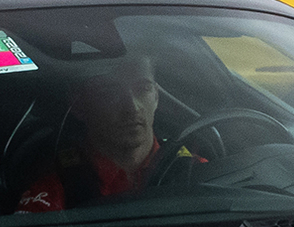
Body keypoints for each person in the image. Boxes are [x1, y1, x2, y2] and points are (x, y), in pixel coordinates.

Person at [17, 54, 201, 212]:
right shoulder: (52, 195)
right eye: (109, 92)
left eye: (143, 89)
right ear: (79, 105)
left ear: (156, 97)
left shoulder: (197, 170)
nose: (132, 107)